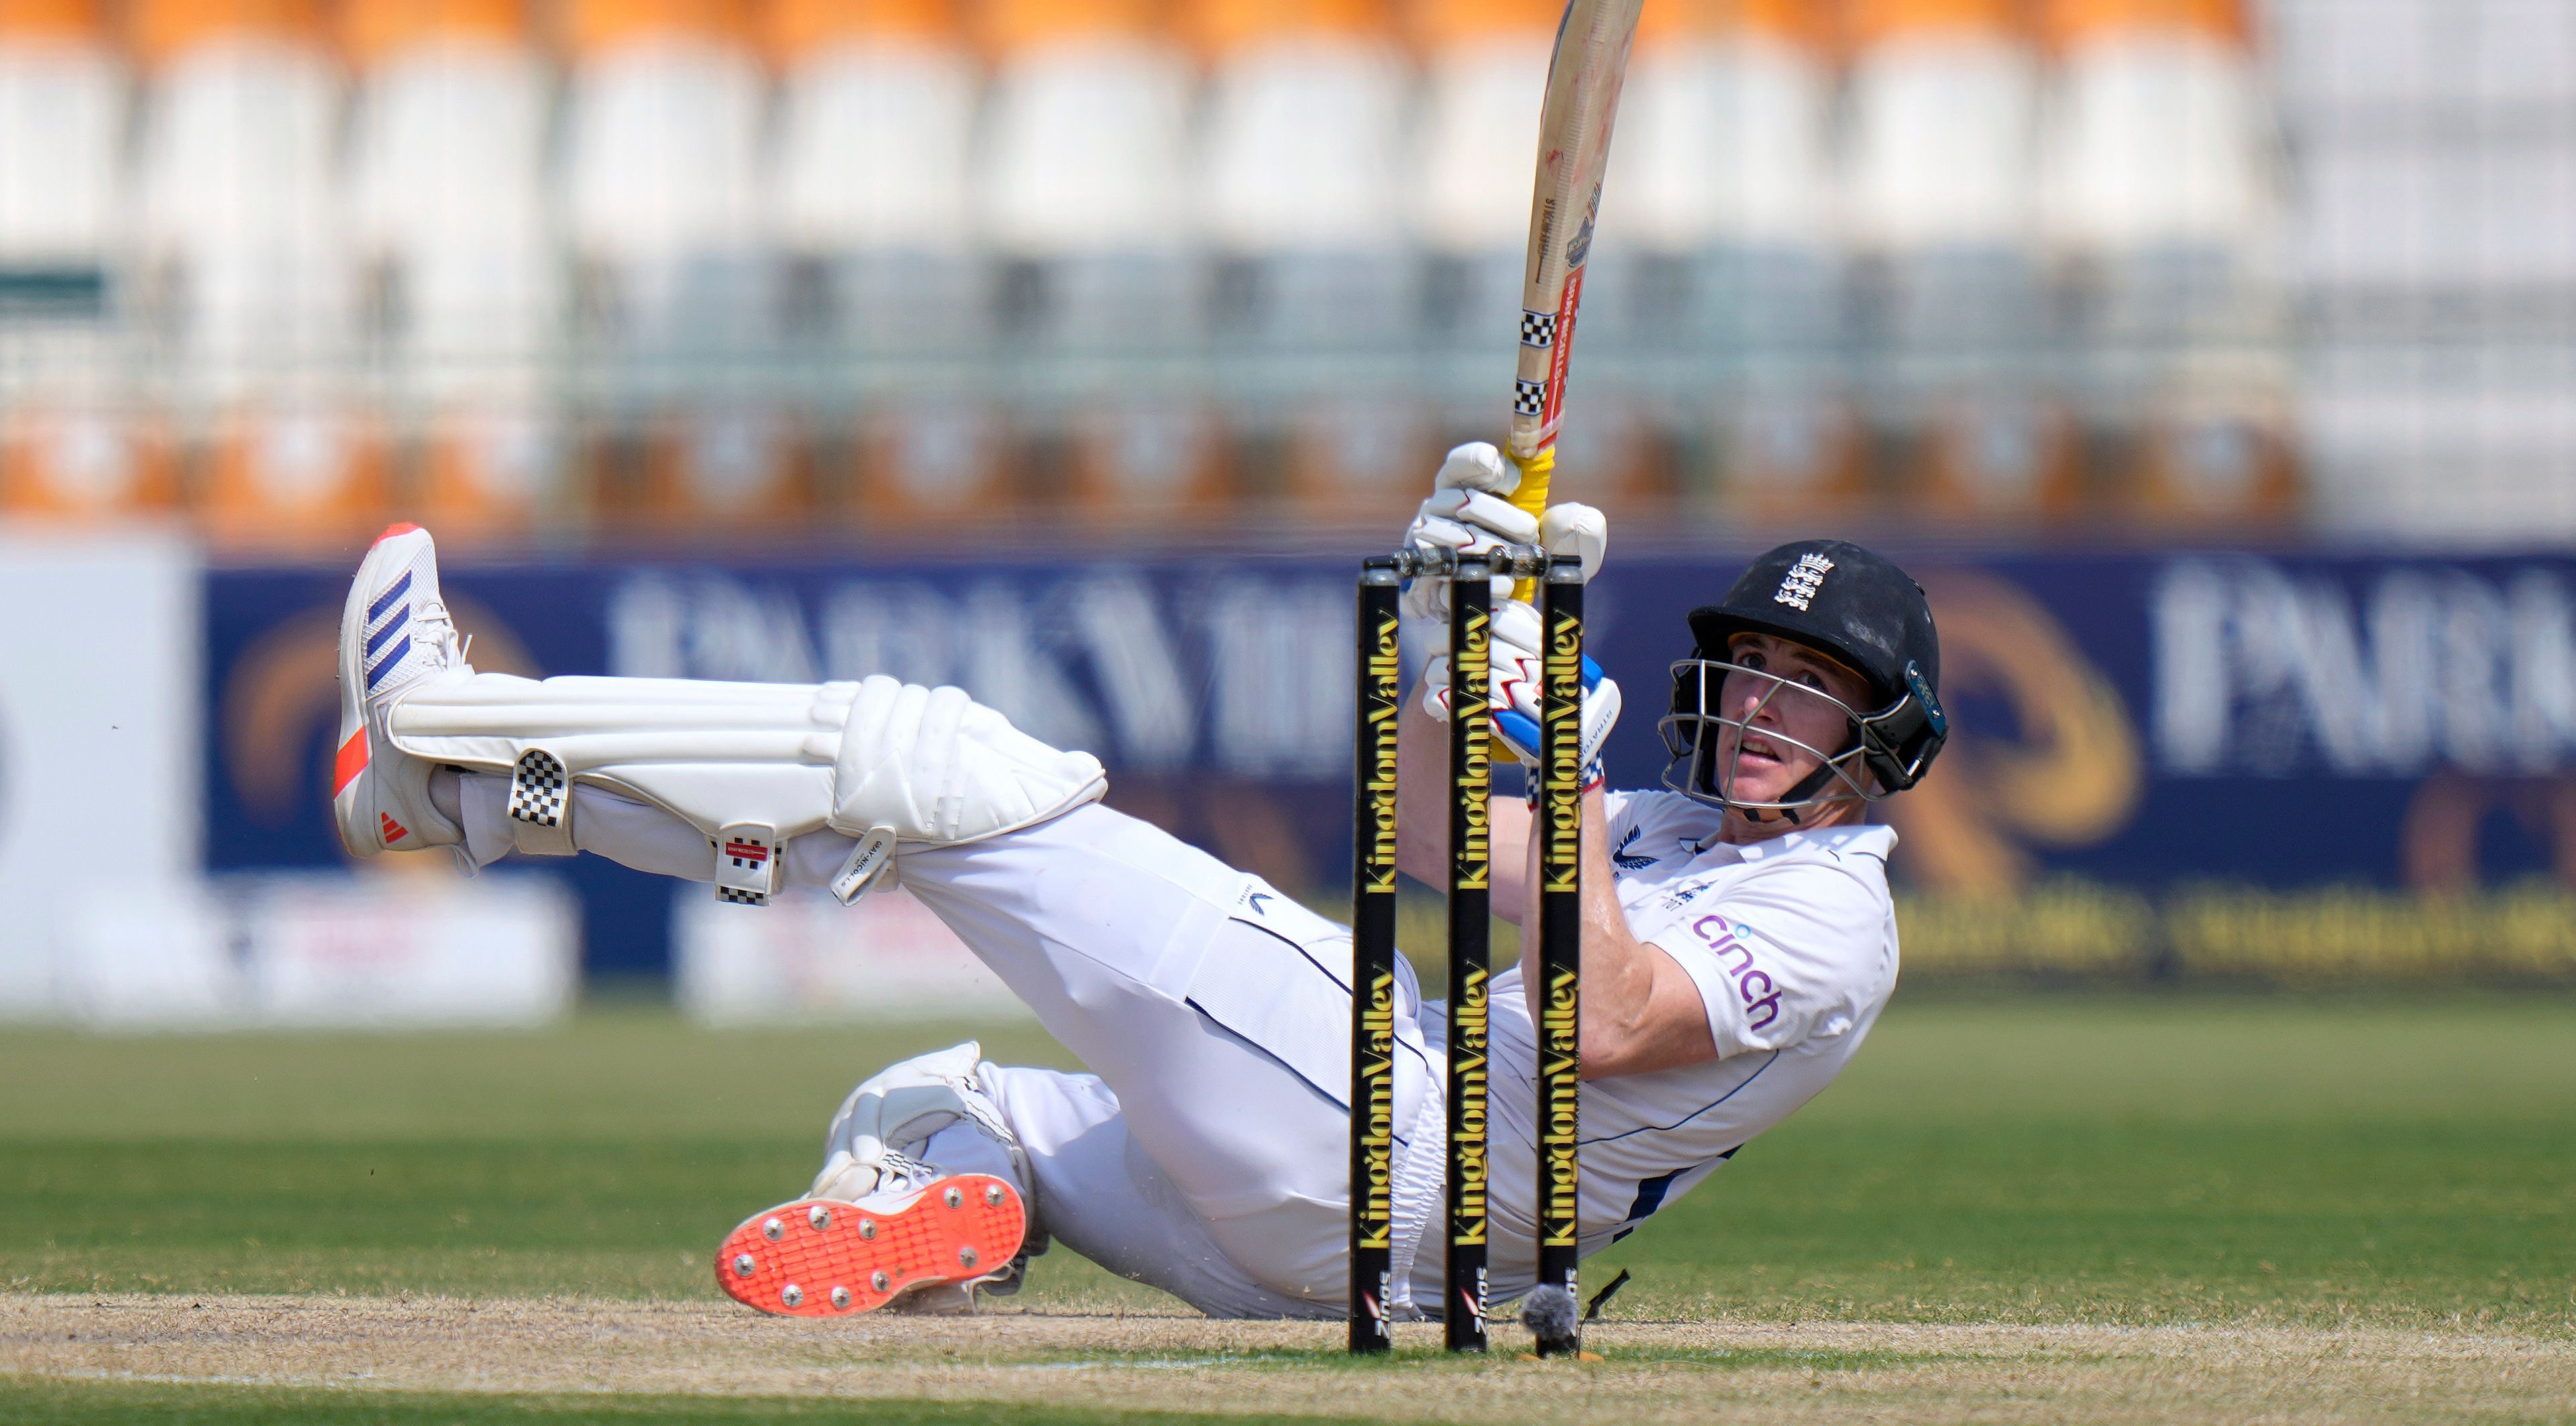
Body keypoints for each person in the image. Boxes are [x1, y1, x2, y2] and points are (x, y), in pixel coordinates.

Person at [329, 443, 1947, 1321]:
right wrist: (1463, 657)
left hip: (1404, 1150)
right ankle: (939, 1206)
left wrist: (1572, 769)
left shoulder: (1836, 916)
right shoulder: (1669, 830)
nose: (1758, 709)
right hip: (1334, 1238)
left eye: (1810, 686)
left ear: (1884, 733)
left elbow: (1615, 1021)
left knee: (944, 768)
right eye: (1749, 670)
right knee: (915, 1102)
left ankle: (446, 743)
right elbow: (1447, 842)